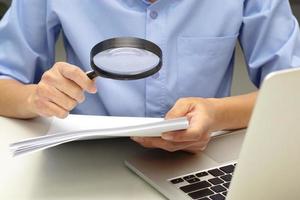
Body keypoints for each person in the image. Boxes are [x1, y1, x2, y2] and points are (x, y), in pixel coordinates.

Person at [0, 0, 299, 153]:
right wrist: (34, 97)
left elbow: (292, 93)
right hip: (82, 158)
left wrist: (218, 114)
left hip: (198, 160)